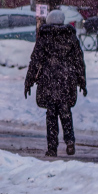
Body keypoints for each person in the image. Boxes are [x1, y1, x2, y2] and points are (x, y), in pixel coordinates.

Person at [24, 9, 87, 157]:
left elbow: (35, 62)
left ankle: (52, 148)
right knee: (66, 113)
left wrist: (29, 81)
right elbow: (79, 61)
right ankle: (70, 141)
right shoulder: (70, 38)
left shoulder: (44, 38)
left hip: (49, 82)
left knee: (51, 115)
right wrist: (82, 81)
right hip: (67, 81)